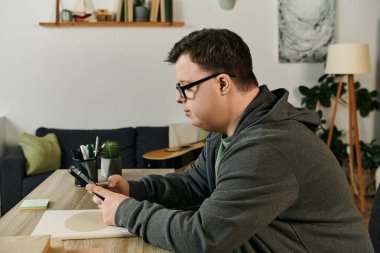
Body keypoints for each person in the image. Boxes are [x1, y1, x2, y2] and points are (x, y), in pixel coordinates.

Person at [86, 28, 374, 253]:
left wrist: (126, 211)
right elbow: (195, 185)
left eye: (185, 87)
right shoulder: (229, 132)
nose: (178, 97)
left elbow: (203, 237)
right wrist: (134, 189)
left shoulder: (268, 147)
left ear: (223, 83)